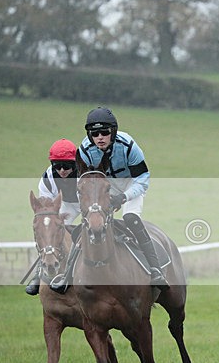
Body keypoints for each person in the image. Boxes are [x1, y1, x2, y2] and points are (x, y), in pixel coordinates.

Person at [50, 106, 168, 293]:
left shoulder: (128, 145)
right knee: (89, 222)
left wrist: (124, 197)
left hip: (131, 187)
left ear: (113, 132)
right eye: (95, 133)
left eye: (104, 132)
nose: (100, 137)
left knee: (131, 219)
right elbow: (86, 182)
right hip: (105, 189)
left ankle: (156, 269)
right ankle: (66, 277)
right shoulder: (85, 150)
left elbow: (143, 179)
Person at [24, 138, 80, 296]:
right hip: (66, 204)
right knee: (50, 232)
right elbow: (48, 210)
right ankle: (39, 272)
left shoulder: (84, 173)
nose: (62, 170)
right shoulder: (47, 179)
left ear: (75, 163)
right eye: (57, 166)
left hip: (87, 202)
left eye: (67, 166)